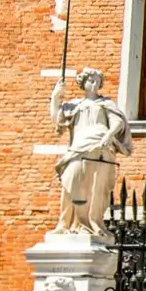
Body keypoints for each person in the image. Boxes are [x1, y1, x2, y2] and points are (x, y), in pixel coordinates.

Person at [50, 68, 131, 236]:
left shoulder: (106, 104)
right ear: (83, 83)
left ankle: (88, 224)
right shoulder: (74, 105)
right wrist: (56, 97)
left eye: (97, 81)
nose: (94, 83)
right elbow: (57, 120)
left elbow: (118, 123)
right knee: (71, 181)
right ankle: (66, 223)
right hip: (78, 146)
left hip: (100, 145)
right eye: (90, 80)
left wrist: (109, 136)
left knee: (95, 186)